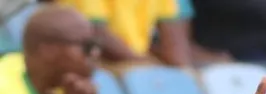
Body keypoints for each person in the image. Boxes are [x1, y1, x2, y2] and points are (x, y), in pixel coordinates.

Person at [54, 0, 191, 66]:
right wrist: (147, 65)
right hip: (89, 67)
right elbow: (93, 31)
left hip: (133, 70)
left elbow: (176, 55)